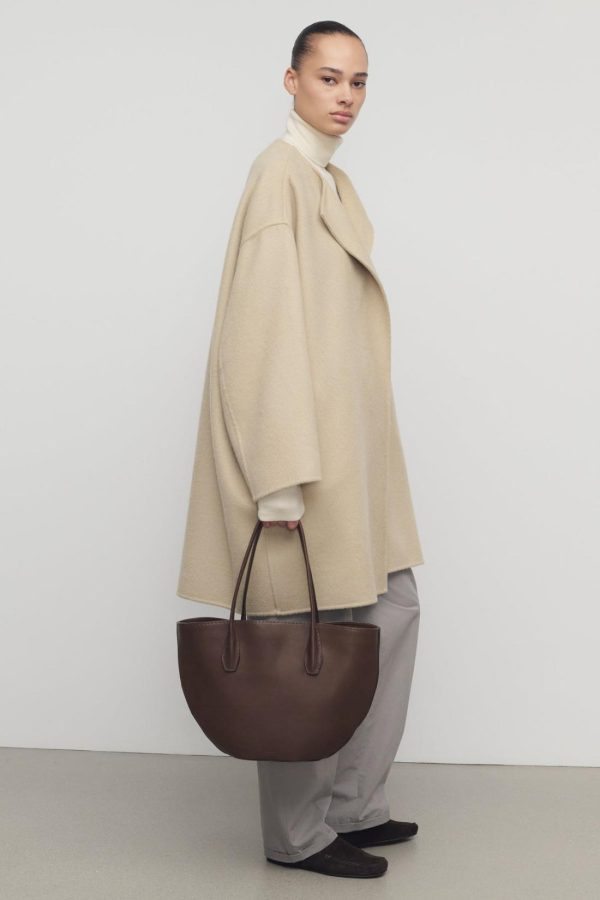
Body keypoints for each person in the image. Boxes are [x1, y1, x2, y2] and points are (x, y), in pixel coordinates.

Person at [176, 21, 425, 879]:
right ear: (291, 82)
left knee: (389, 609)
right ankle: (298, 835)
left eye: (359, 81)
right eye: (328, 78)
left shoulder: (331, 181)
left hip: (354, 459)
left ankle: (353, 805)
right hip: (302, 461)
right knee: (301, 638)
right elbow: (259, 336)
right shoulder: (278, 176)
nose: (346, 96)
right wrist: (276, 480)